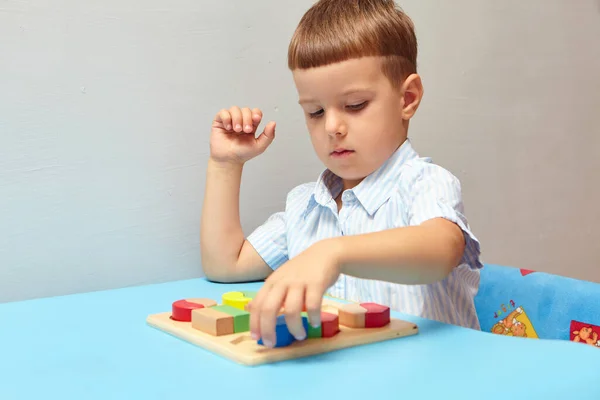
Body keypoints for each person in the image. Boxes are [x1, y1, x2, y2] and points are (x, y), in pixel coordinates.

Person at [200, 0, 483, 348]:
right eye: (315, 111)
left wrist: (333, 253)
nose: (332, 126)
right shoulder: (305, 206)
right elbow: (226, 265)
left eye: (354, 106)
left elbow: (441, 251)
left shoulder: (424, 183)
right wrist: (225, 165)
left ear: (407, 98)